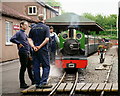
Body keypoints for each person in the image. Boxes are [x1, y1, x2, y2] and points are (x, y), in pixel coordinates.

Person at [28, 14, 52, 88]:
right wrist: (40, 46)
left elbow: (29, 39)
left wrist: (33, 46)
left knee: (36, 66)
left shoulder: (33, 28)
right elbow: (47, 39)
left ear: (38, 19)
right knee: (46, 66)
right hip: (43, 50)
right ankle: (43, 82)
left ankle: (37, 83)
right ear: (43, 19)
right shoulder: (46, 27)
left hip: (34, 50)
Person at [10, 21, 34, 88]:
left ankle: (33, 80)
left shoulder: (25, 34)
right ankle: (22, 83)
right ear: (21, 25)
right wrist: (18, 43)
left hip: (28, 52)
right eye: (25, 25)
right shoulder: (19, 33)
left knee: (30, 67)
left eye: (27, 25)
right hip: (23, 52)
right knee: (23, 68)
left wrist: (31, 52)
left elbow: (27, 43)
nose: (26, 26)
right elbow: (12, 39)